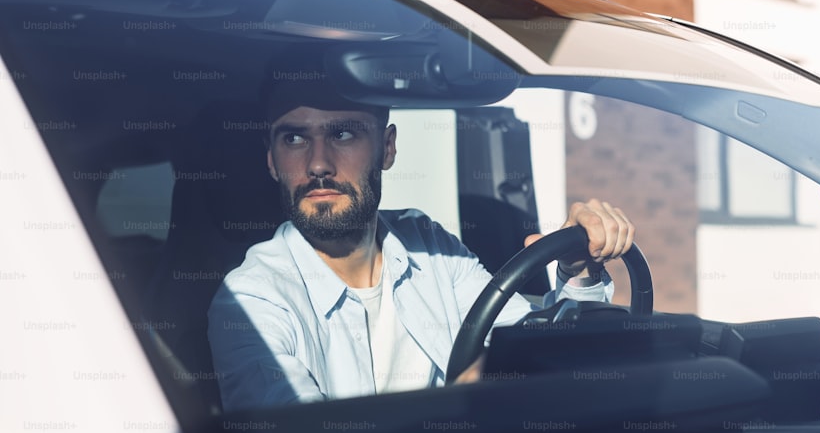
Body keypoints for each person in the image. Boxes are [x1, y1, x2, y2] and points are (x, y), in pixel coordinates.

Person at [207, 84, 635, 411]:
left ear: (387, 148)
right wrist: (464, 400)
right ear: (270, 160)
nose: (318, 164)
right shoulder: (249, 299)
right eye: (294, 140)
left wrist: (579, 270)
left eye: (342, 134)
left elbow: (534, 349)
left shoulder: (431, 248)